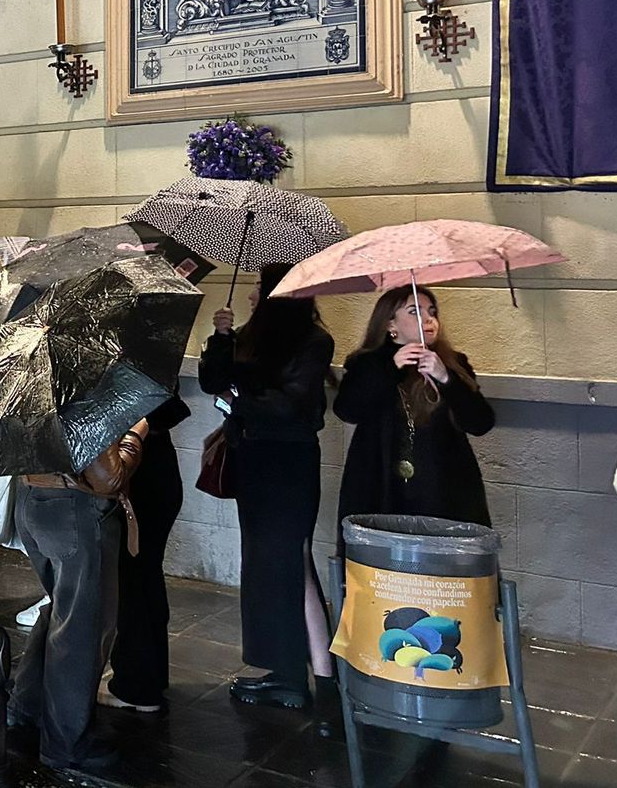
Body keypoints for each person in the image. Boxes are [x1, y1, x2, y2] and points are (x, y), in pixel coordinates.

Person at [198, 263, 334, 710]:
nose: (253, 296)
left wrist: (239, 402)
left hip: (287, 467)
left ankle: (302, 675)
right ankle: (284, 669)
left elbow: (292, 408)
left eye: (260, 288)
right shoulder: (249, 338)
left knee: (287, 566)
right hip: (254, 464)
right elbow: (213, 383)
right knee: (265, 567)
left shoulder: (315, 342)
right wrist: (220, 339)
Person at [12, 422, 148, 777]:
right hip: (77, 510)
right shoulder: (82, 389)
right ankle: (67, 743)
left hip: (32, 499)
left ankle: (28, 707)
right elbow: (108, 478)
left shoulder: (29, 381)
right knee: (82, 627)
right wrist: (136, 434)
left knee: (61, 607)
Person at [335, 286, 495, 529]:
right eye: (415, 312)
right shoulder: (367, 362)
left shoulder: (452, 362)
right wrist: (390, 367)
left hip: (441, 484)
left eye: (432, 311)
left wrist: (446, 378)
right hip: (382, 481)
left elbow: (480, 422)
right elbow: (348, 410)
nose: (429, 319)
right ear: (391, 325)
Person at [101, 396, 190, 715]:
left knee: (133, 582)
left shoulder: (126, 372)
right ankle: (150, 676)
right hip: (162, 474)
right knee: (147, 577)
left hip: (138, 480)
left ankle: (135, 687)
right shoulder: (154, 362)